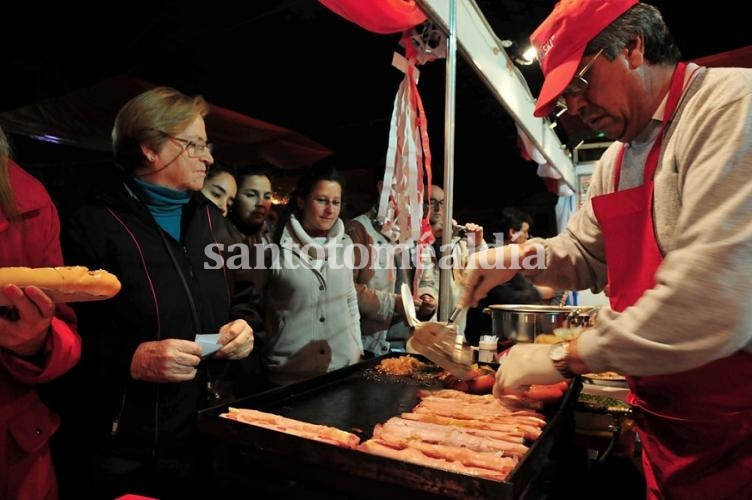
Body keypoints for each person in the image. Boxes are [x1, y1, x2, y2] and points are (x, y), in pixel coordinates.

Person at [461, 1, 752, 498]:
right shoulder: (617, 159)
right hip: (665, 424)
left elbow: (713, 293)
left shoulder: (729, 109)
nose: (574, 107)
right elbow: (584, 253)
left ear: (633, 47)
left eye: (579, 83)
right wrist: (517, 257)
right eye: (564, 97)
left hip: (739, 425)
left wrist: (566, 358)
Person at [55, 87, 258, 499]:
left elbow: (247, 298)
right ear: (149, 148)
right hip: (126, 444)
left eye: (207, 144)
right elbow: (63, 335)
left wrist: (246, 327)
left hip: (206, 428)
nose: (209, 157)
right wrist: (131, 359)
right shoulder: (93, 224)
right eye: (194, 145)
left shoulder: (211, 220)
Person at [0, 127, 81, 500]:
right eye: (194, 145)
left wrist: (36, 342)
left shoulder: (28, 199)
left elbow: (66, 331)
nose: (205, 156)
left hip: (13, 462)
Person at [258, 165, 363, 386]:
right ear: (302, 201)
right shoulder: (273, 245)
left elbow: (350, 300)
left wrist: (357, 347)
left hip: (341, 368)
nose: (330, 210)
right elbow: (259, 305)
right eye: (322, 200)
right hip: (289, 372)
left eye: (335, 202)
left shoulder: (345, 245)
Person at [346, 178, 437, 356]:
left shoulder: (417, 232)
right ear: (383, 187)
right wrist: (395, 303)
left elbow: (427, 279)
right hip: (370, 345)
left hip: (411, 342)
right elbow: (348, 289)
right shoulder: (359, 229)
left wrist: (428, 297)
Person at [425, 184, 486, 327]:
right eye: (431, 202)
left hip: (453, 328)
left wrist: (477, 243)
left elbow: (483, 270)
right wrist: (432, 236)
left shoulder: (459, 242)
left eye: (442, 202)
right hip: (419, 329)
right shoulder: (408, 238)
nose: (438, 208)